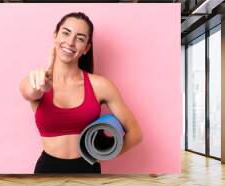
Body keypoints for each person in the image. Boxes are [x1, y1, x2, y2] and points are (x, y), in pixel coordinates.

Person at [19, 12, 142, 174]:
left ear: (86, 48)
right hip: (47, 169)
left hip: (88, 169)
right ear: (55, 36)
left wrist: (104, 155)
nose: (70, 42)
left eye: (80, 38)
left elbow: (135, 133)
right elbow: (30, 92)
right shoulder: (35, 80)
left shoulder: (101, 85)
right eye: (66, 33)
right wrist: (39, 86)